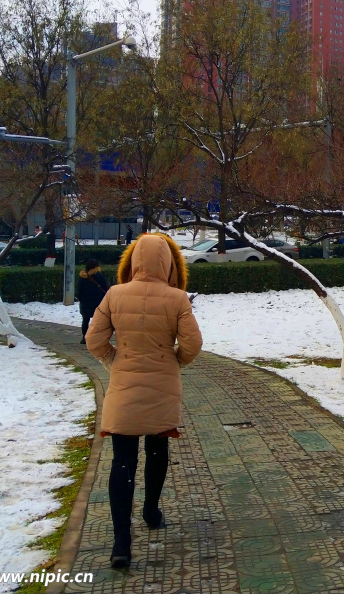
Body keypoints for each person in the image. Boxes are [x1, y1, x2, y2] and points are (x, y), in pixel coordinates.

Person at [85, 234, 202, 569]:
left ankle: (121, 540)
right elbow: (193, 344)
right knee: (157, 449)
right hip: (162, 387)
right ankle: (151, 512)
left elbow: (94, 340)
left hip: (123, 387)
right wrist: (175, 361)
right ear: (167, 263)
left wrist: (112, 361)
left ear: (133, 260)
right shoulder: (177, 298)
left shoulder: (114, 294)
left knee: (122, 460)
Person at [77, 258, 109, 344]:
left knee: (85, 320)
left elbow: (79, 291)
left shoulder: (83, 277)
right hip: (98, 303)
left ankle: (84, 338)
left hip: (85, 303)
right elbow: (105, 289)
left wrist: (82, 299)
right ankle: (95, 338)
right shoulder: (100, 276)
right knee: (97, 321)